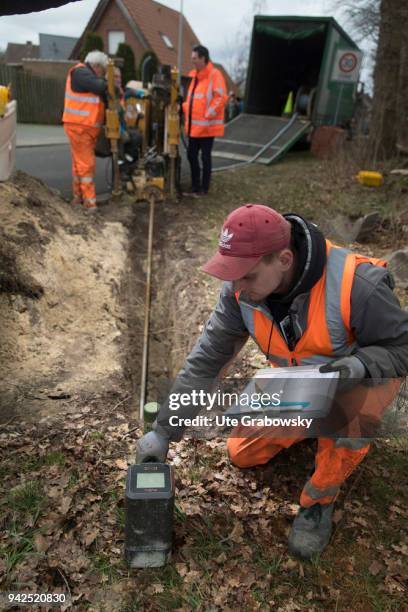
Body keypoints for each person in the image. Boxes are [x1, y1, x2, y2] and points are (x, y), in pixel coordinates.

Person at [136, 204, 408, 560]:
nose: (236, 286)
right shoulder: (239, 293)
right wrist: (165, 429)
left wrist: (360, 365)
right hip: (299, 385)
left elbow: (402, 347)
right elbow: (207, 360)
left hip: (355, 383)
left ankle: (319, 502)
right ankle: (312, 428)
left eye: (246, 276)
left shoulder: (360, 286)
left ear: (283, 259)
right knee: (242, 454)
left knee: (351, 422)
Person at [63, 50, 108, 210]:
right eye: (103, 71)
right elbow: (100, 86)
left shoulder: (83, 74)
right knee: (86, 165)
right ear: (96, 66)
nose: (102, 76)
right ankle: (90, 203)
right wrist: (107, 83)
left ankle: (78, 199)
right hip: (80, 127)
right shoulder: (80, 72)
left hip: (80, 127)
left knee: (78, 165)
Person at [182, 45, 228, 198]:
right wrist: (183, 108)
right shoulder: (193, 75)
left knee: (205, 157)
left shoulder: (215, 75)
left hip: (207, 128)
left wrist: (207, 115)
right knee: (191, 155)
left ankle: (203, 188)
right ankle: (195, 186)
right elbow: (189, 99)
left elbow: (221, 97)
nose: (192, 61)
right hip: (194, 128)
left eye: (194, 58)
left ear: (203, 58)